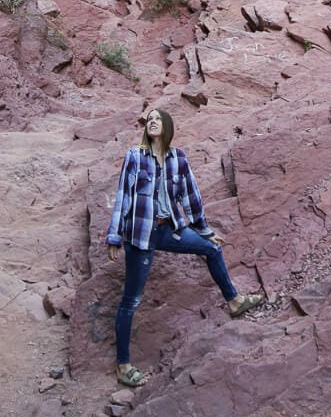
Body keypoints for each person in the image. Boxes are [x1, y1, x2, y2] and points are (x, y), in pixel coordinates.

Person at [105, 107, 263, 387]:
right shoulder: (135, 156)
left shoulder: (178, 158)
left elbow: (191, 197)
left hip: (169, 229)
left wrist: (205, 230)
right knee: (131, 301)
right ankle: (123, 366)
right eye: (149, 120)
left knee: (212, 249)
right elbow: (123, 196)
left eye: (157, 119)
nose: (152, 122)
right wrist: (115, 237)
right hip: (141, 235)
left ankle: (235, 301)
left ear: (167, 125)